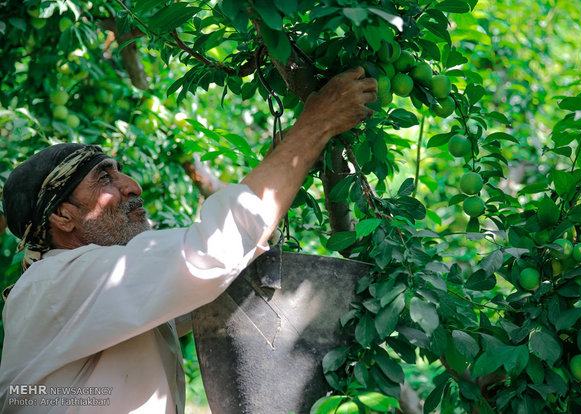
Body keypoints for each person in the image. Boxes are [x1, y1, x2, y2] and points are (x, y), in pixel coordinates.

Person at [0, 67, 377, 413]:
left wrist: (287, 156)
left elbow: (199, 291)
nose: (132, 186)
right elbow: (209, 254)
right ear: (61, 216)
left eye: (121, 173)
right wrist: (316, 125)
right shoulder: (59, 280)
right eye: (104, 179)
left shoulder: (95, 292)